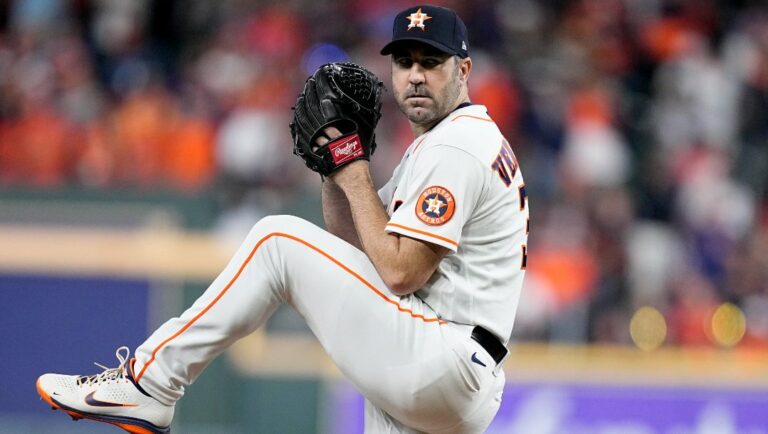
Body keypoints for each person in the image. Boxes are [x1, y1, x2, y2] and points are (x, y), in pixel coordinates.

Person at [36, 4, 529, 433]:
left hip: (443, 355)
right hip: (446, 365)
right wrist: (334, 167)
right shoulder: (447, 142)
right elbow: (360, 253)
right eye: (404, 62)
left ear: (463, 70)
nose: (415, 75)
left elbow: (400, 273)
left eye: (431, 62)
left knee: (276, 240)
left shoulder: (457, 145)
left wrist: (354, 165)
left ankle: (149, 383)